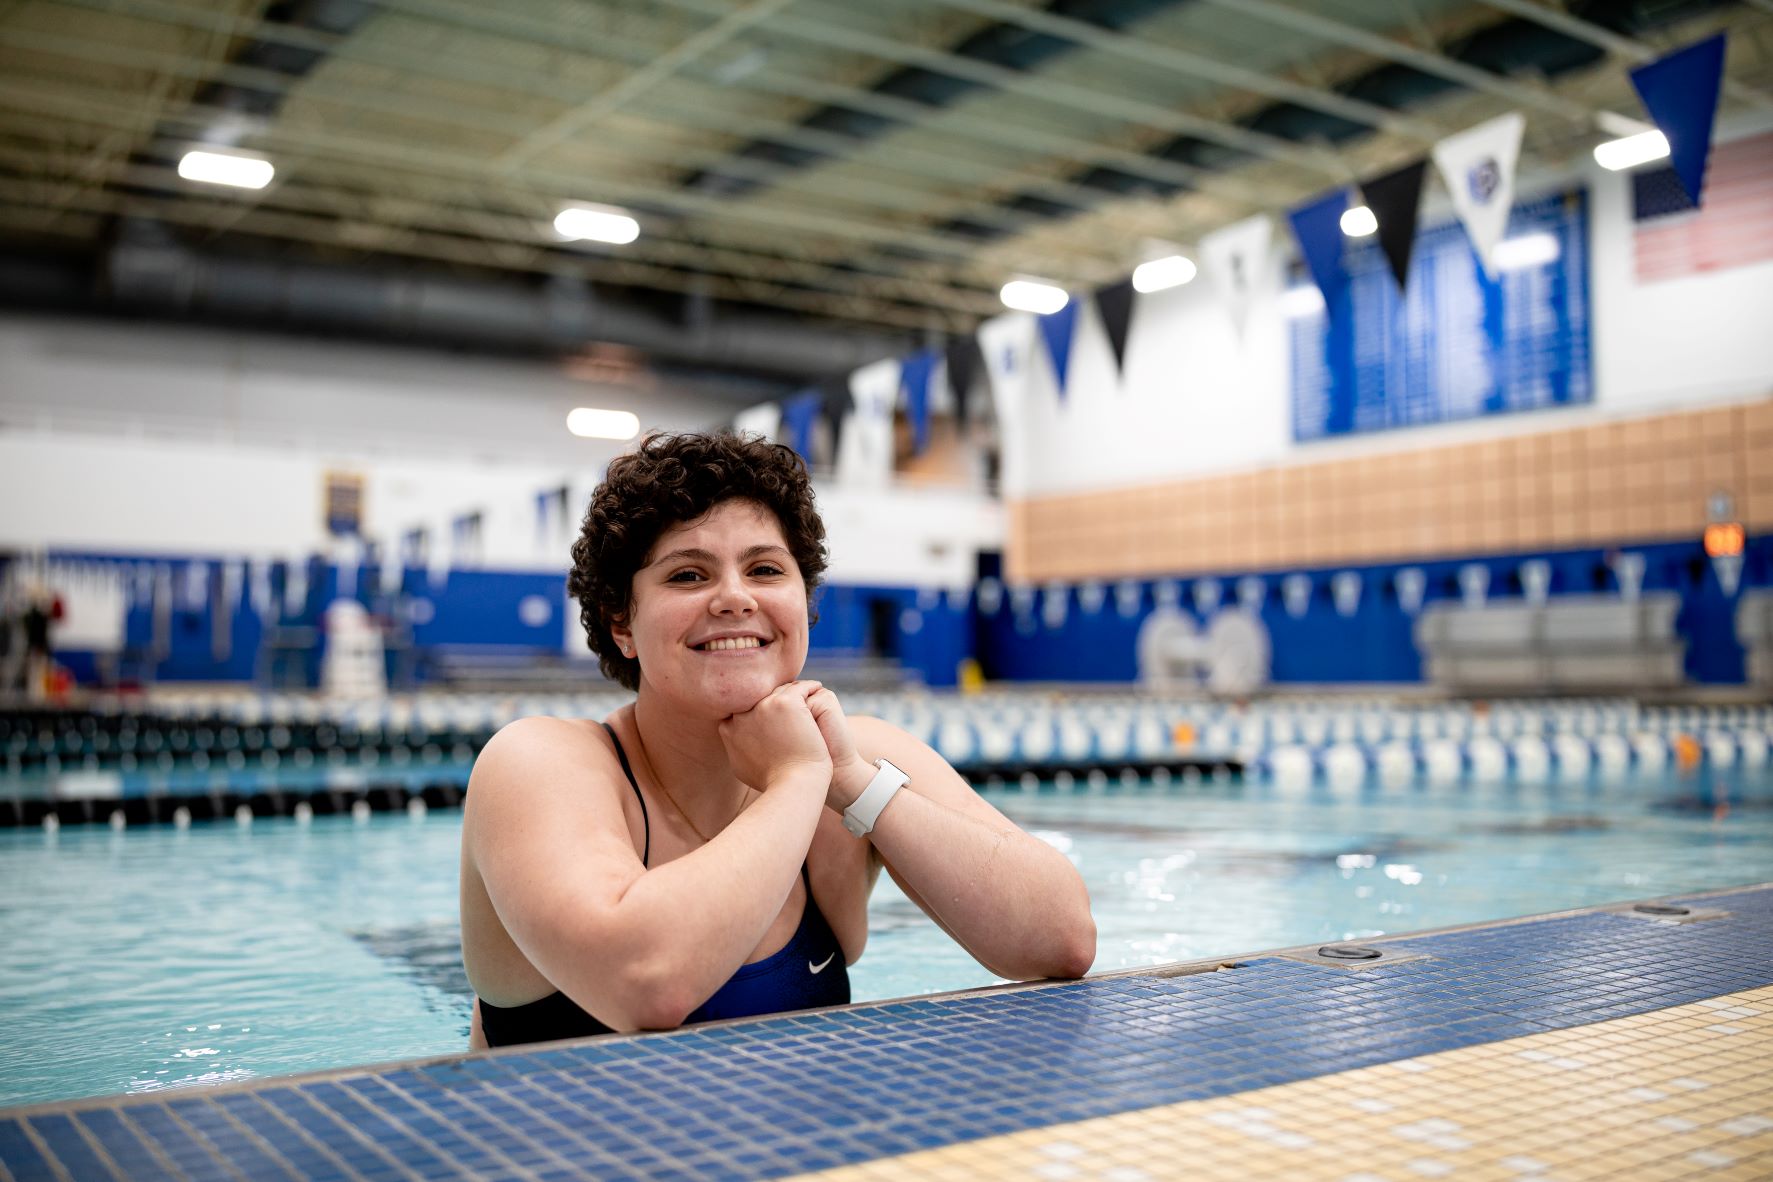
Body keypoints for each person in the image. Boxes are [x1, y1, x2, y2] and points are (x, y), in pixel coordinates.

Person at [459, 431, 1095, 1047]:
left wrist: (852, 784)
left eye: (765, 569)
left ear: (803, 601)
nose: (735, 598)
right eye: (687, 575)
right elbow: (643, 985)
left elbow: (1062, 939)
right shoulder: (540, 762)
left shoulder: (852, 757)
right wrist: (794, 780)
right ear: (621, 622)